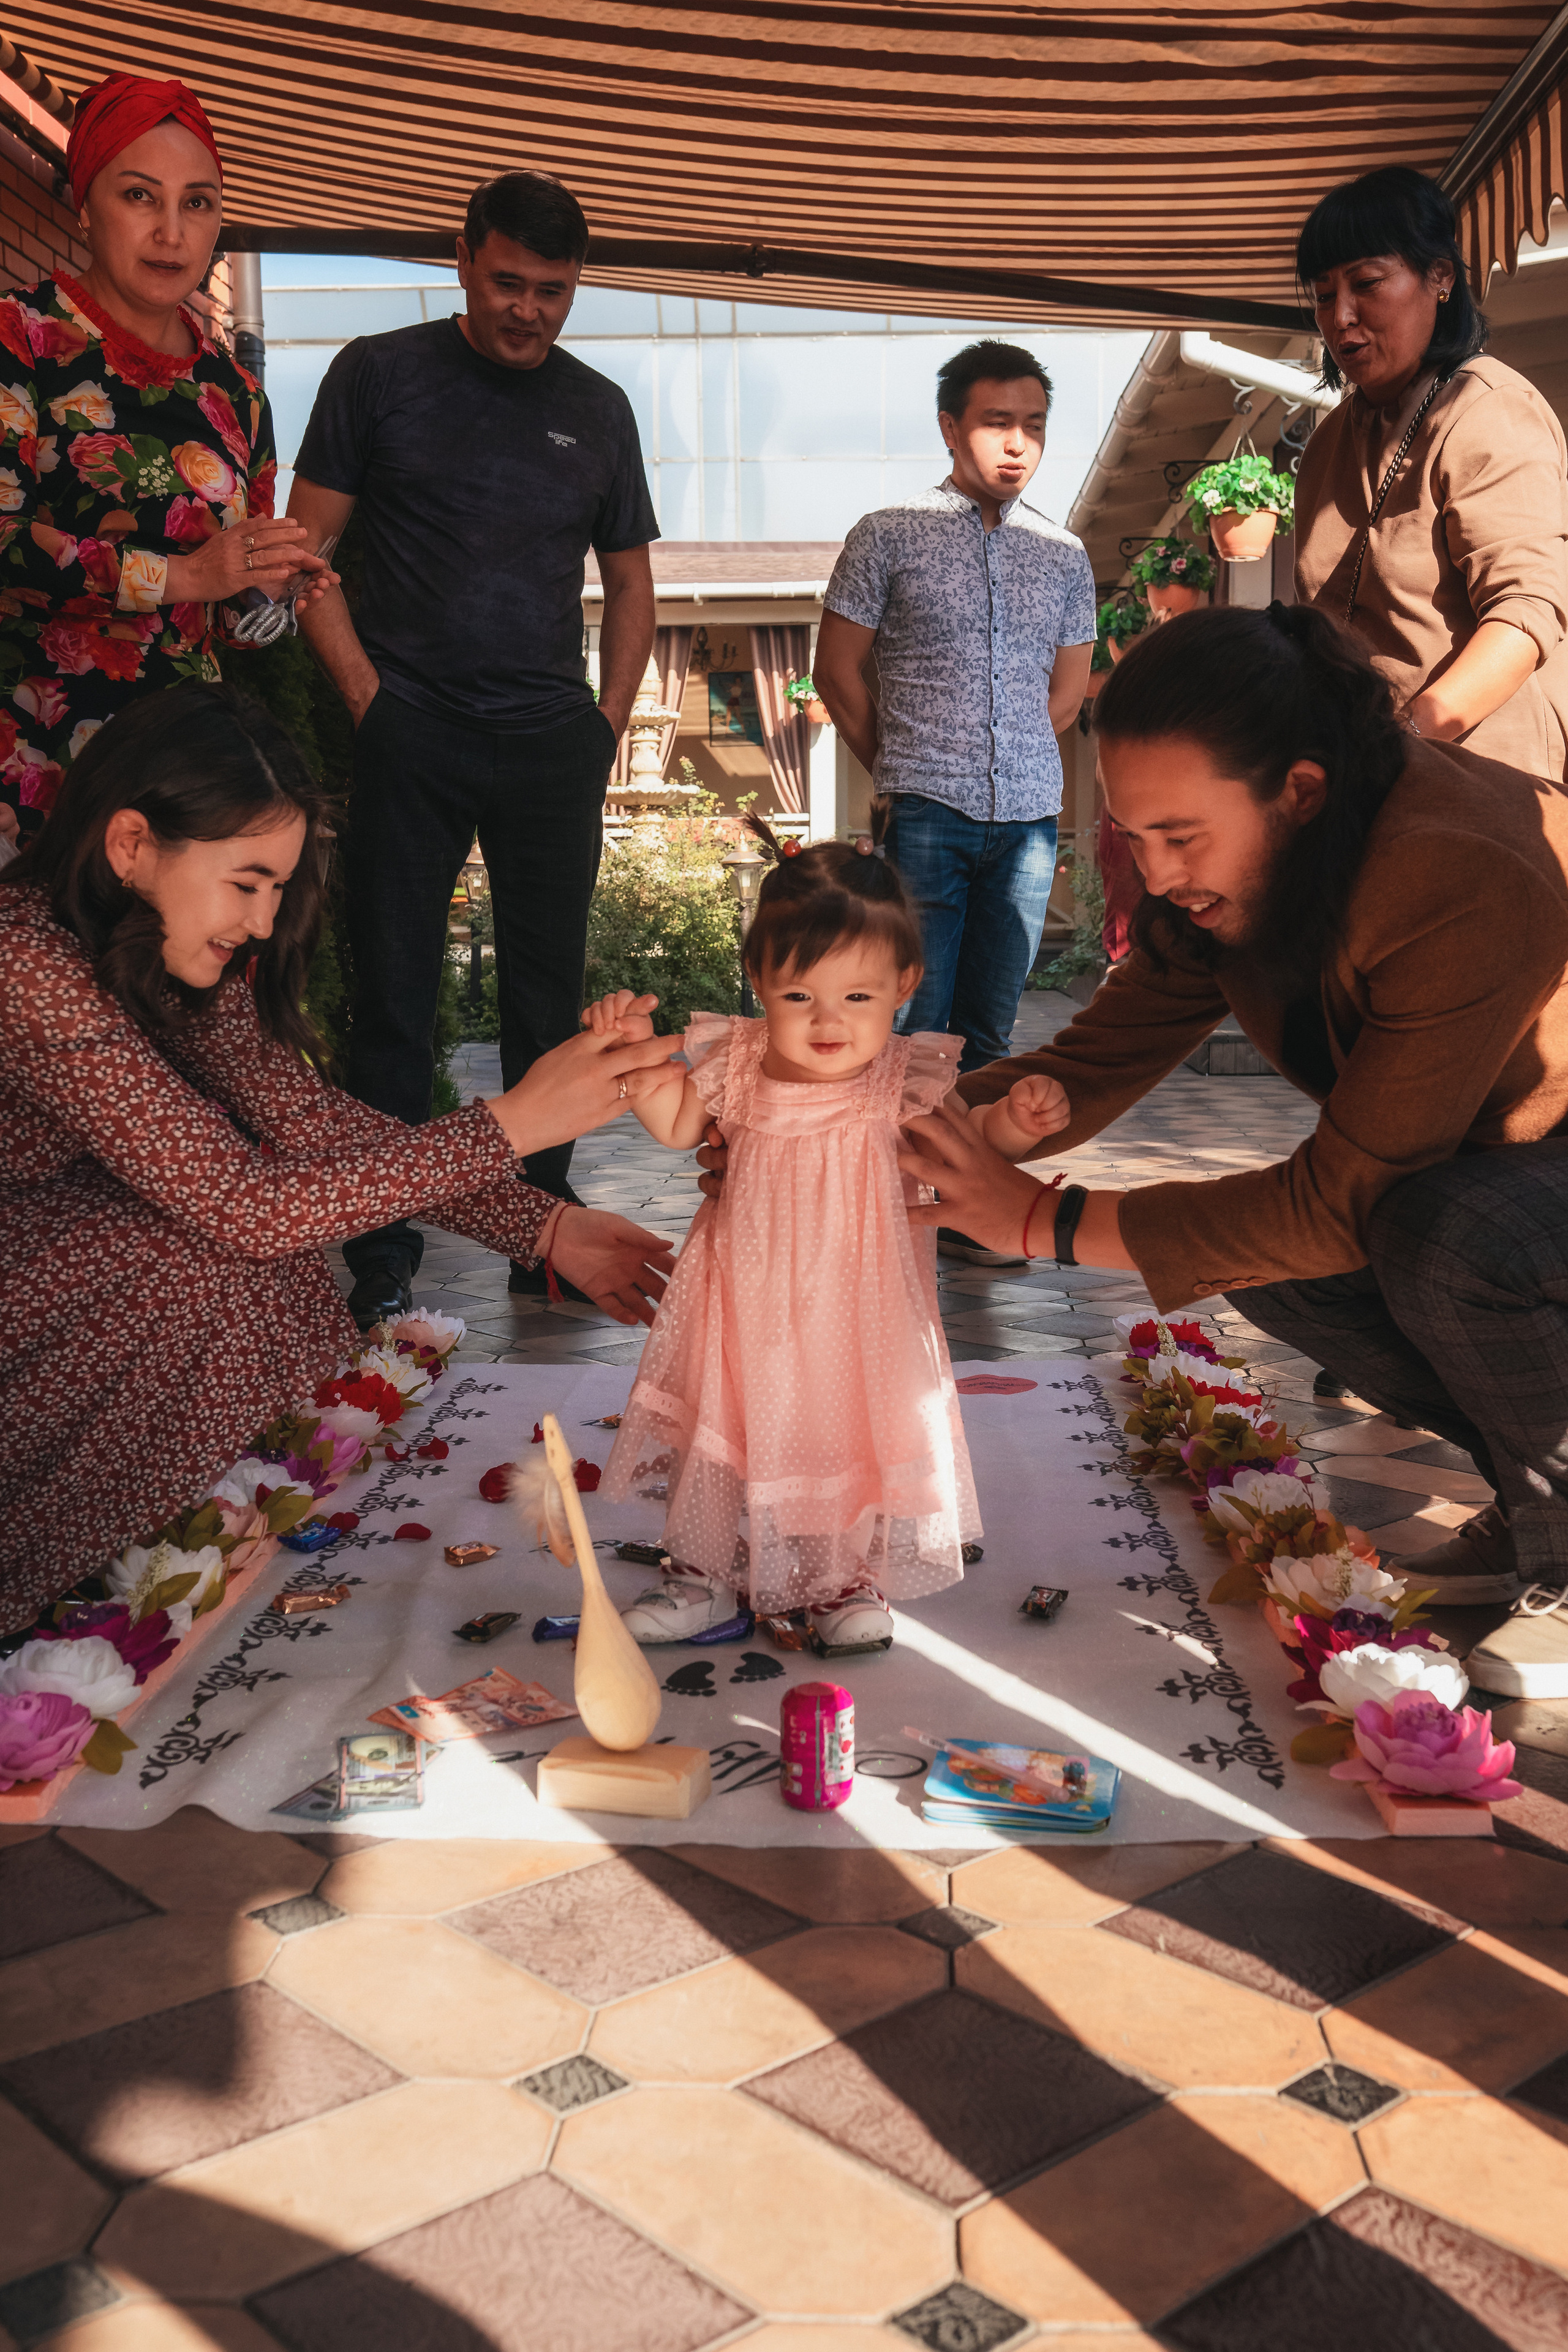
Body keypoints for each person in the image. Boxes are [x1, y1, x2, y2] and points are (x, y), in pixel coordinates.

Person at [881, 603, 1568, 1701]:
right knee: (1283, 1267)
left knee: (1447, 1238)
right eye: (1133, 837)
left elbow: (1341, 1201)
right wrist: (855, 1140)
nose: (1156, 877)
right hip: (1513, 1164)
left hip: (1532, 1178)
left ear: (1300, 792)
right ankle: (1540, 1505)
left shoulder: (1455, 874)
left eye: (1182, 838)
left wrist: (1036, 1220)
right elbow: (1097, 1059)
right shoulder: (1247, 869)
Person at [0, 682, 679, 1633]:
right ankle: (87, 1588)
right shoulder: (27, 966)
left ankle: (234, 1545)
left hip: (65, 1279)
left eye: (279, 889)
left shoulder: (149, 942)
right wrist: (510, 1124)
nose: (266, 923)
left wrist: (544, 1225)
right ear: (130, 845)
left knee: (251, 1241)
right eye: (246, 883)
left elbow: (308, 1117)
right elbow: (242, 1203)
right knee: (214, 1252)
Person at [287, 169, 658, 1332]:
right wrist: (370, 702)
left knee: (551, 1007)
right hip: (414, 734)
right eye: (509, 283)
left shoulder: (598, 409)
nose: (530, 310)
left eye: (554, 290)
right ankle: (381, 1252)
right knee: (396, 1001)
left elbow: (634, 584)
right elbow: (306, 551)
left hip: (550, 740)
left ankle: (541, 1236)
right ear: (461, 260)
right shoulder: (378, 373)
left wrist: (602, 729)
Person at [590, 823, 1050, 1653]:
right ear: (759, 978)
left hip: (858, 1315)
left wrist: (1013, 1127)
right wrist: (633, 1061)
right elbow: (673, 1124)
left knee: (843, 1435)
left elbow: (970, 1153)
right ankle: (702, 1571)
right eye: (801, 996)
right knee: (729, 1423)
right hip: (743, 1301)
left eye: (859, 998)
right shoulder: (734, 1060)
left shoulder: (902, 1076)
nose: (828, 1020)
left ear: (905, 983)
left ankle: (842, 1579)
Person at [812, 337, 1095, 1269]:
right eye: (996, 423)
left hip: (1027, 817)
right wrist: (898, 763)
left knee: (990, 1028)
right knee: (905, 1026)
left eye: (1034, 427)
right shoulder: (886, 533)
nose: (1017, 444)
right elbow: (837, 670)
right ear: (951, 426)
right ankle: (871, 1207)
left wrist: (1017, 759)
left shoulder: (1064, 552)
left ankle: (965, 1211)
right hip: (924, 807)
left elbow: (1067, 692)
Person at [0, 71, 331, 857]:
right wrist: (183, 576)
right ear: (84, 203)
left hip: (184, 787)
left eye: (198, 202)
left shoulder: (237, 396)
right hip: (29, 771)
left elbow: (228, 624)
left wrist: (271, 590)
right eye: (140, 195)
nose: (172, 232)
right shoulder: (20, 338)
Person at [1295, 165, 1568, 775]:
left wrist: (1405, 740)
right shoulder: (1327, 444)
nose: (1340, 316)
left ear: (1439, 276)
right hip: (1365, 782)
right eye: (1321, 294)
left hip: (1488, 787)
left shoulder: (1486, 406)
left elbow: (1526, 610)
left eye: (1365, 283)